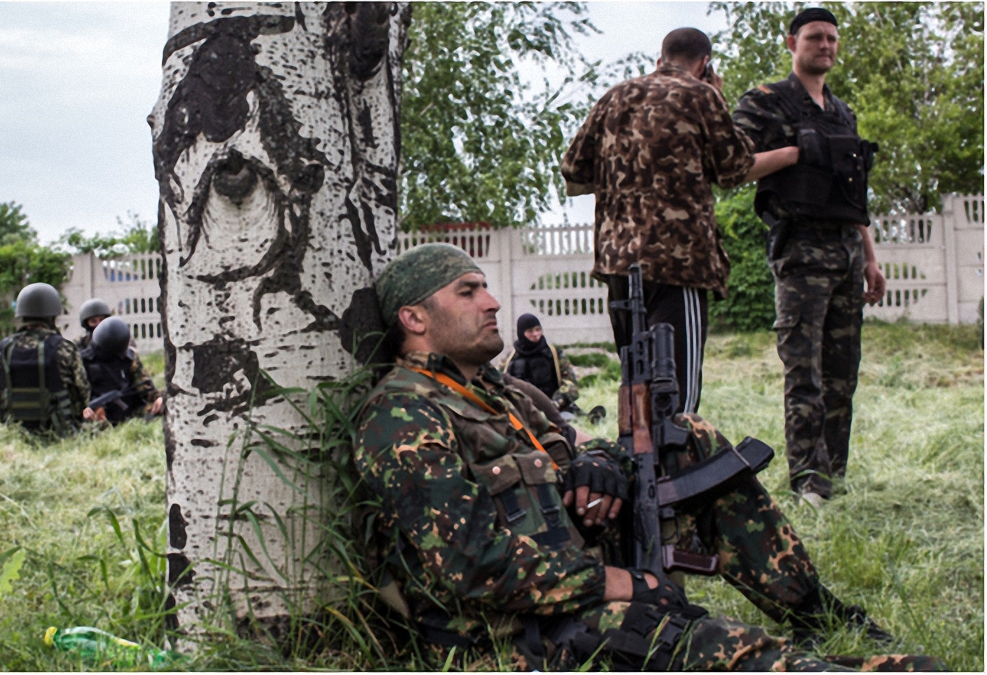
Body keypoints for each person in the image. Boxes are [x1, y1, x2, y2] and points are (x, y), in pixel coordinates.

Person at [351, 243, 942, 671]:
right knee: (687, 639)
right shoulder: (403, 416)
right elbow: (476, 567)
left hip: (569, 567)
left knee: (686, 441)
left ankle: (812, 610)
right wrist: (622, 582)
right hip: (505, 633)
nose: (494, 302)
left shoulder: (496, 390)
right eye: (469, 291)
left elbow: (568, 446)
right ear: (414, 318)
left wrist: (598, 462)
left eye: (485, 286)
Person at [561, 27, 801, 414]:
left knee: (636, 393)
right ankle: (674, 469)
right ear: (705, 64)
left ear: (660, 60)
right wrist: (785, 150)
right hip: (679, 264)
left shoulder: (614, 97)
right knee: (676, 399)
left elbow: (572, 167)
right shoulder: (702, 95)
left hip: (619, 266)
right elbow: (734, 167)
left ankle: (639, 470)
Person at [731, 8, 885, 508]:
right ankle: (808, 482)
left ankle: (833, 477)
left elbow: (853, 192)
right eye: (816, 38)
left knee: (843, 373)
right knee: (805, 373)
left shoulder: (843, 112)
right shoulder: (767, 102)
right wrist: (796, 152)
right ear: (792, 43)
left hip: (845, 250)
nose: (826, 46)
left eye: (833, 39)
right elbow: (733, 166)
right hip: (800, 250)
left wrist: (871, 258)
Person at [0, 282, 91, 436]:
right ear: (52, 316)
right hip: (58, 431)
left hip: (13, 432)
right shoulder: (65, 348)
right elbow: (83, 393)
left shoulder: (3, 349)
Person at [80, 316, 163, 423]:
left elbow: (146, 388)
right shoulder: (84, 362)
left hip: (130, 413)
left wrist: (158, 399)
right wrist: (86, 411)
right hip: (97, 415)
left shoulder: (129, 359)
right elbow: (78, 398)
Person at [498, 314, 579, 414]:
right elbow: (498, 385)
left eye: (538, 329)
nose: (535, 334)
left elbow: (571, 385)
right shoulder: (509, 359)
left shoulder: (554, 354)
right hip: (523, 412)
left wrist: (557, 402)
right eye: (530, 331)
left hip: (556, 409)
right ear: (521, 333)